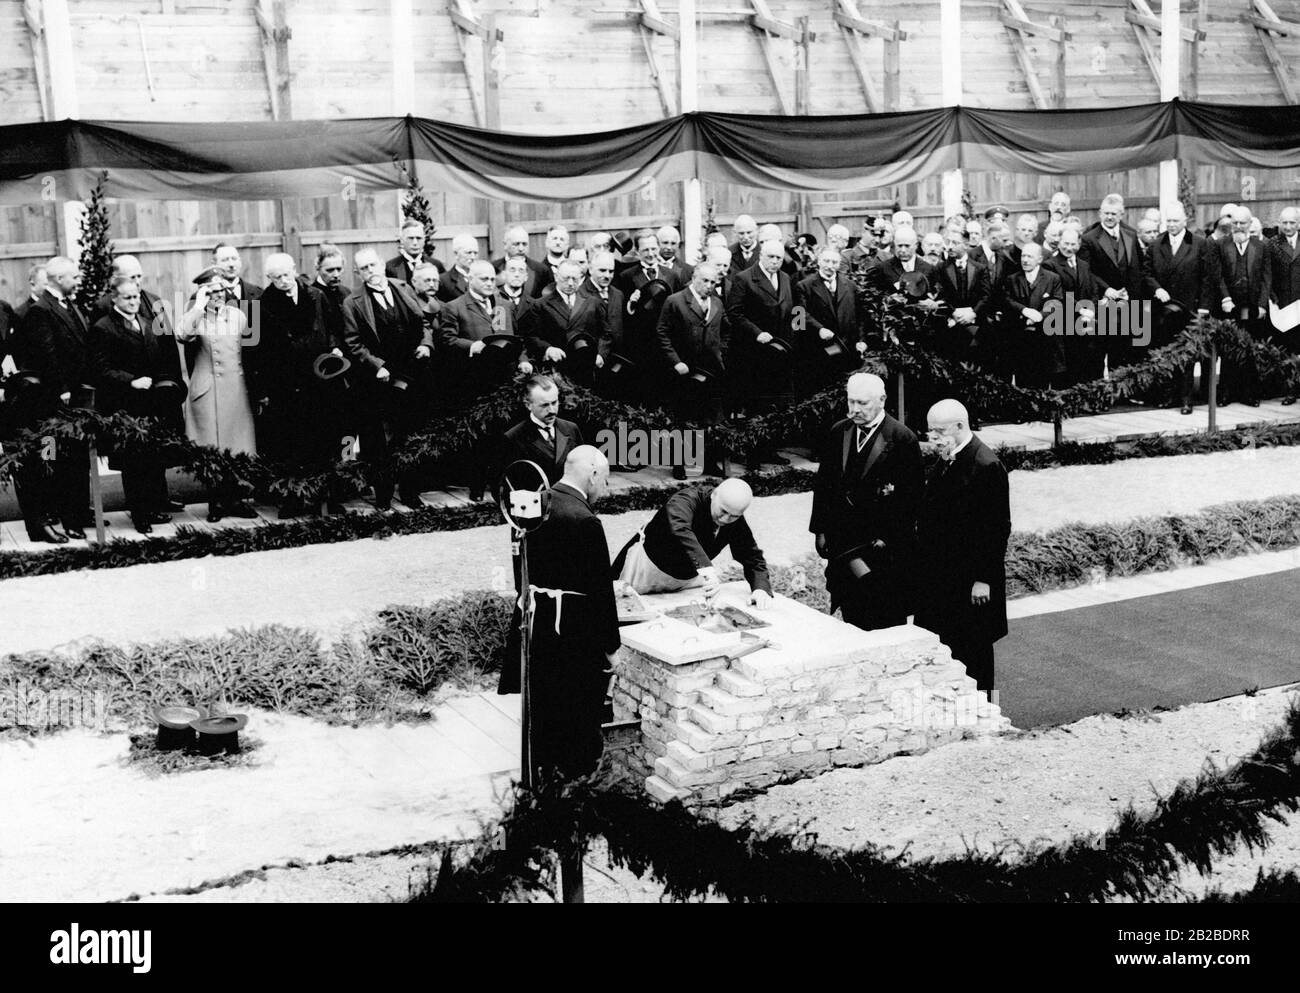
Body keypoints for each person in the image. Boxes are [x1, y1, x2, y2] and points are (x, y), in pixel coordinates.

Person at [498, 445, 621, 782]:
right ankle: (573, 780)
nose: (604, 490)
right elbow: (600, 592)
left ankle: (538, 775)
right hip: (572, 630)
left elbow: (518, 568)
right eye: (606, 481)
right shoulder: (585, 520)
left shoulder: (530, 505)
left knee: (541, 703)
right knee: (575, 707)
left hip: (534, 622)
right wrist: (611, 648)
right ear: (593, 474)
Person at [809, 372, 923, 631]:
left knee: (885, 617)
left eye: (863, 403)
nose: (855, 409)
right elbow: (824, 485)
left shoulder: (902, 439)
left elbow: (911, 500)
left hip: (882, 550)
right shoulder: (840, 431)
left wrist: (888, 539)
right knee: (850, 610)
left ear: (882, 400)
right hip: (843, 543)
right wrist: (820, 530)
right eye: (851, 402)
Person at [914, 399, 1011, 695]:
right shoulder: (947, 456)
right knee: (946, 648)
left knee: (975, 654)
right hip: (943, 576)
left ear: (960, 426)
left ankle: (986, 713)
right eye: (930, 431)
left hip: (971, 582)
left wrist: (983, 578)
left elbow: (997, 528)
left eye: (939, 431)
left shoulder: (987, 465)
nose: (933, 438)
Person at [90, 274, 184, 533]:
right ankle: (140, 514)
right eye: (127, 298)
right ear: (114, 298)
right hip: (124, 407)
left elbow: (160, 360)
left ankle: (153, 507)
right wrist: (130, 381)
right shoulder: (104, 327)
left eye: (135, 297)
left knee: (151, 459)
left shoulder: (147, 323)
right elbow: (100, 369)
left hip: (150, 405)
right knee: (133, 464)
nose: (133, 302)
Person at [10, 256, 95, 542]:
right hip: (58, 400)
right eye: (74, 276)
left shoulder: (70, 305)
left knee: (77, 458)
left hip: (79, 395)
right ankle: (68, 519)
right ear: (59, 279)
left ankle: (79, 513)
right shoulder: (40, 310)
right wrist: (62, 391)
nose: (79, 280)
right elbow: (48, 355)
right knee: (61, 461)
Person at [342, 247, 433, 510]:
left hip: (411, 372)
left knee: (411, 432)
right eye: (364, 268)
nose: (371, 272)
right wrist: (376, 366)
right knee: (379, 441)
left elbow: (424, 322)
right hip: (378, 380)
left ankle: (410, 491)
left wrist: (426, 345)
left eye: (373, 265)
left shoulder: (402, 287)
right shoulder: (352, 302)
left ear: (382, 265)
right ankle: (382, 495)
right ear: (358, 273)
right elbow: (353, 343)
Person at [176, 267, 259, 522]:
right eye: (211, 292)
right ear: (202, 293)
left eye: (221, 290)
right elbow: (181, 335)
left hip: (236, 389)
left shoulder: (238, 316)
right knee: (212, 448)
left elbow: (251, 352)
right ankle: (216, 501)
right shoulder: (195, 316)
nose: (217, 296)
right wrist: (198, 307)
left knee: (237, 445)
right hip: (207, 389)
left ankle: (236, 500)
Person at [611, 477, 772, 608]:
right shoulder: (685, 500)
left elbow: (751, 555)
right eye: (723, 511)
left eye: (734, 516)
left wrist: (760, 588)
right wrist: (707, 571)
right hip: (643, 571)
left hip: (685, 581)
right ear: (714, 495)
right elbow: (679, 529)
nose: (725, 519)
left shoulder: (733, 517)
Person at [1142, 200, 1218, 413]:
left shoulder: (1200, 244)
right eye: (1169, 221)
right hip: (1164, 311)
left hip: (1190, 309)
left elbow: (1207, 279)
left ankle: (1185, 399)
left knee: (1186, 355)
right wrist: (1156, 288)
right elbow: (1146, 273)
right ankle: (1167, 395)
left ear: (1185, 221)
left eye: (1176, 220)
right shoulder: (1156, 245)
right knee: (1165, 352)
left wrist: (1204, 308)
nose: (1172, 224)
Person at [655, 261, 728, 478]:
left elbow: (726, 330)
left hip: (711, 369)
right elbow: (662, 333)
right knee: (683, 417)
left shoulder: (717, 303)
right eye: (704, 280)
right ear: (694, 278)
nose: (709, 286)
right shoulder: (675, 301)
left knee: (710, 418)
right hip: (684, 370)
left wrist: (720, 351)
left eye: (713, 282)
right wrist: (675, 361)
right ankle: (680, 464)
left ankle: (709, 463)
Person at [1217, 205, 1271, 406]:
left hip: (1251, 306)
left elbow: (1267, 277)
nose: (1238, 227)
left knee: (1249, 349)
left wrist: (1263, 304)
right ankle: (1226, 393)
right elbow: (1218, 275)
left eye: (1242, 223)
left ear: (1250, 224)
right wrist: (1225, 298)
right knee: (1229, 349)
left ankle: (1248, 394)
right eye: (1235, 223)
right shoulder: (1221, 244)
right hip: (1229, 305)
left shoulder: (1262, 246)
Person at [498, 374, 585, 492]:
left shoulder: (571, 429)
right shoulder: (513, 437)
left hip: (569, 506)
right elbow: (500, 485)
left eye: (554, 403)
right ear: (528, 405)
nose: (551, 410)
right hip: (534, 507)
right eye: (544, 405)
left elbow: (582, 471)